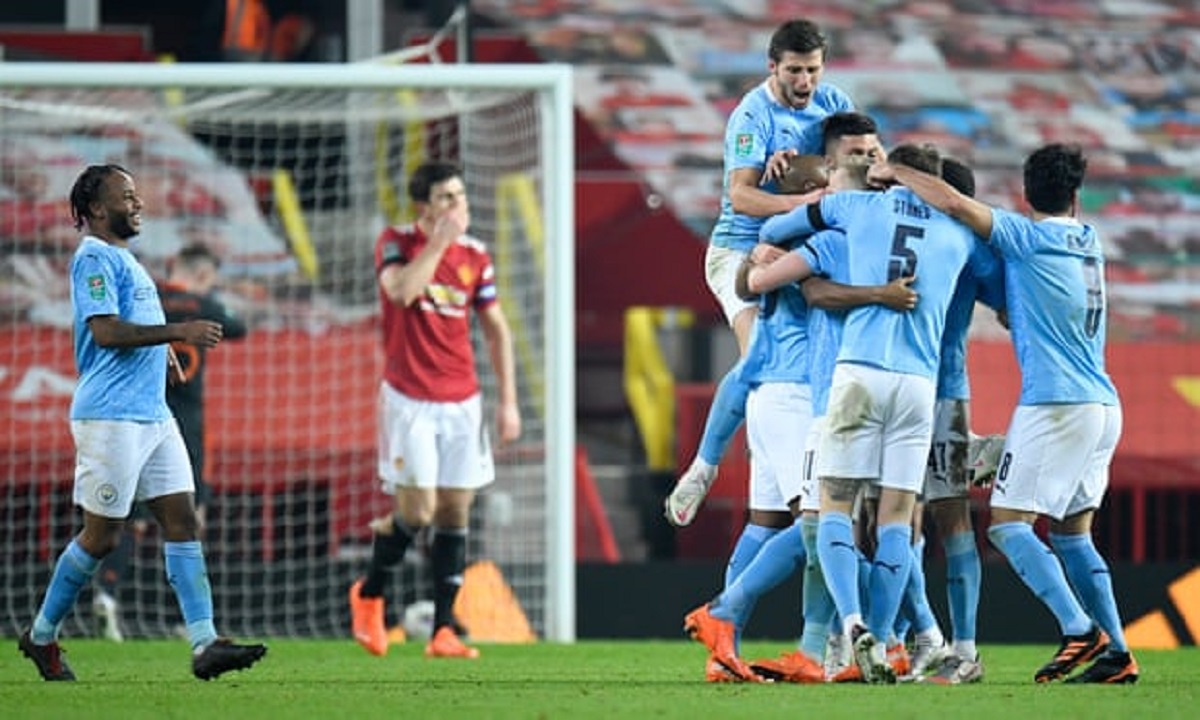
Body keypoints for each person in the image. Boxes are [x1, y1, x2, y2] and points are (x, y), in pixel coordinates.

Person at [871, 143, 1138, 685]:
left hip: (1052, 403)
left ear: (1024, 193)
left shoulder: (1017, 238)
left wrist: (893, 170)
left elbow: (955, 205)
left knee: (1006, 524)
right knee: (1072, 536)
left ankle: (1077, 630)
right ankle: (1118, 653)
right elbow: (1012, 304)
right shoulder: (1088, 239)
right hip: (1101, 404)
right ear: (1076, 198)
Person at [750, 143, 996, 684]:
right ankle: (885, 643)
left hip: (858, 374)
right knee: (898, 520)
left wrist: (771, 252)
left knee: (835, 508)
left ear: (889, 174)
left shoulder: (855, 207)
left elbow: (774, 229)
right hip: (920, 386)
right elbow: (999, 287)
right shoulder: (960, 235)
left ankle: (852, 625)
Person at [18, 164, 267, 681]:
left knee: (182, 520)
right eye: (126, 195)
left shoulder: (127, 259)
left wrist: (161, 352)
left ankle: (204, 643)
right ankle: (41, 636)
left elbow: (135, 327)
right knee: (102, 538)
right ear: (96, 209)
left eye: (136, 195)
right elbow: (106, 332)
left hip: (154, 415)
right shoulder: (93, 258)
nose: (138, 203)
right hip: (111, 417)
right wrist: (177, 332)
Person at [684, 160, 919, 684]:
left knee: (774, 524)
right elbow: (793, 290)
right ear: (818, 193)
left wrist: (757, 251)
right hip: (803, 398)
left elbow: (750, 284)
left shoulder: (798, 244)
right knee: (823, 526)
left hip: (788, 395)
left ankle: (735, 642)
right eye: (829, 181)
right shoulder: (830, 243)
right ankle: (878, 637)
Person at [665, 19, 854, 530]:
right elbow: (742, 196)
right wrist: (804, 202)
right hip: (740, 251)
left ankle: (772, 471)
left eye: (812, 70)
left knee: (806, 356)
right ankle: (704, 467)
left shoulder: (834, 102)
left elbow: (848, 166)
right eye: (794, 71)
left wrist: (804, 170)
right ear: (773, 67)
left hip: (793, 248)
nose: (805, 81)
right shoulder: (752, 115)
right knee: (762, 356)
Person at [349, 161, 521, 659]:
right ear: (423, 206)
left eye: (460, 196)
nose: (458, 205)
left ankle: (444, 629)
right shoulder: (396, 242)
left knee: (454, 510)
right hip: (409, 399)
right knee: (418, 510)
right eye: (446, 197)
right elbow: (402, 292)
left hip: (462, 400)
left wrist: (508, 402)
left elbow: (496, 329)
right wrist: (440, 243)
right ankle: (369, 593)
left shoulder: (476, 255)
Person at [92, 242, 249, 641]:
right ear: (203, 275)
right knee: (188, 521)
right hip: (185, 427)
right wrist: (206, 302)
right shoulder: (204, 306)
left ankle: (107, 593)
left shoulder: (146, 299)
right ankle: (187, 619)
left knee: (128, 519)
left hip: (137, 416)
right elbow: (238, 328)